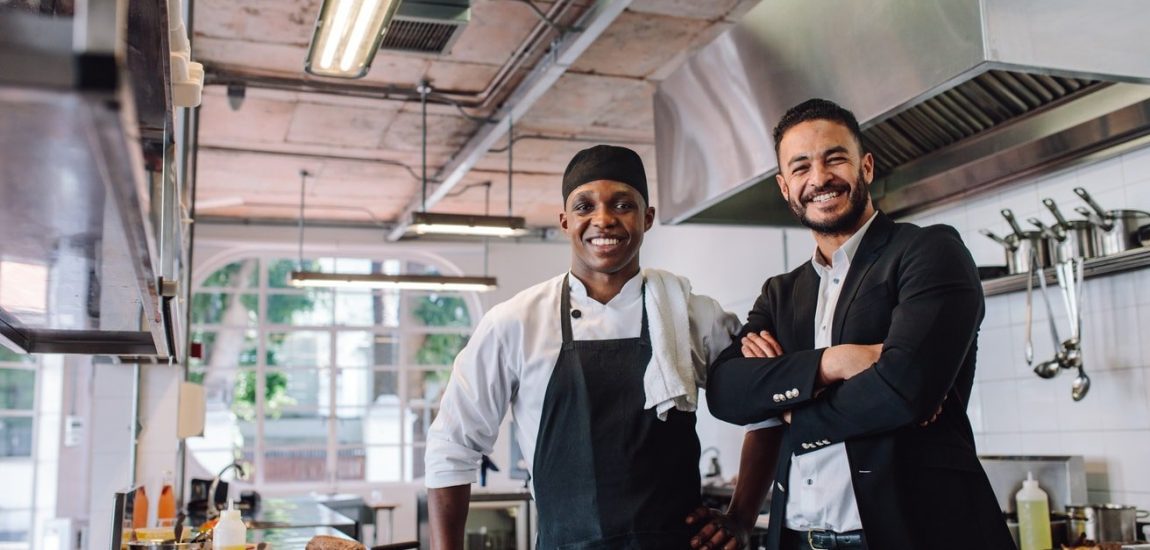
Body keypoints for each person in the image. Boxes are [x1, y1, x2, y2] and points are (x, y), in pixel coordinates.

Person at [703, 99, 1014, 550]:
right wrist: (832, 364)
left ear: (865, 166)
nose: (820, 178)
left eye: (835, 158)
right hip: (794, 540)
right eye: (801, 167)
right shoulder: (780, 293)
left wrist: (789, 409)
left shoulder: (927, 252)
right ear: (784, 187)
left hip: (916, 533)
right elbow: (727, 391)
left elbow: (903, 389)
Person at [424, 145, 747, 549]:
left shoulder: (693, 315)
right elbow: (452, 446)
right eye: (584, 206)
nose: (603, 219)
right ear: (564, 220)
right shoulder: (515, 322)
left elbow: (765, 410)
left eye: (623, 204)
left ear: (647, 217)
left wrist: (742, 516)